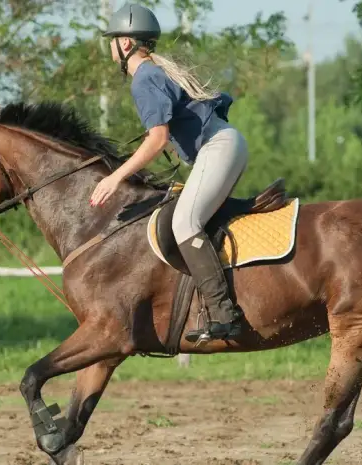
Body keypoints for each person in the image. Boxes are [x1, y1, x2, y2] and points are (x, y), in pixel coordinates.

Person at [89, 3, 249, 342]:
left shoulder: (144, 78)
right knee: (187, 216)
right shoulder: (152, 72)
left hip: (219, 147)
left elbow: (157, 139)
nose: (110, 46)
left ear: (126, 44)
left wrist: (114, 177)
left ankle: (225, 314)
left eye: (113, 39)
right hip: (223, 146)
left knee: (183, 223)